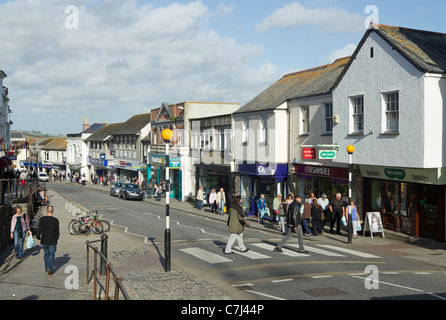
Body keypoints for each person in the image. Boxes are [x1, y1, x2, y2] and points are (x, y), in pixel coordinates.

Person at [36, 205, 60, 275]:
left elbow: (39, 229)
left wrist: (38, 236)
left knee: (46, 254)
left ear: (47, 211)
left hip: (44, 240)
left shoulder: (42, 219)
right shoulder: (56, 220)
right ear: (53, 211)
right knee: (51, 255)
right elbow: (57, 232)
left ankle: (47, 268)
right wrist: (56, 238)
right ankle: (50, 268)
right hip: (52, 240)